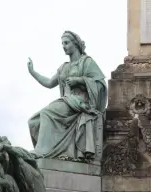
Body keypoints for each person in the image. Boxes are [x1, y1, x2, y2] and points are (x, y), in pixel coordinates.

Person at [27, 30, 108, 161]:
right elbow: (48, 83)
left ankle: (42, 151)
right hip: (66, 101)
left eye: (66, 43)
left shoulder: (86, 62)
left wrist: (80, 80)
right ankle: (51, 152)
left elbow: (100, 84)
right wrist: (33, 72)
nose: (63, 46)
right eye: (62, 43)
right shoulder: (63, 67)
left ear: (75, 44)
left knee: (47, 113)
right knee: (35, 121)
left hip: (80, 102)